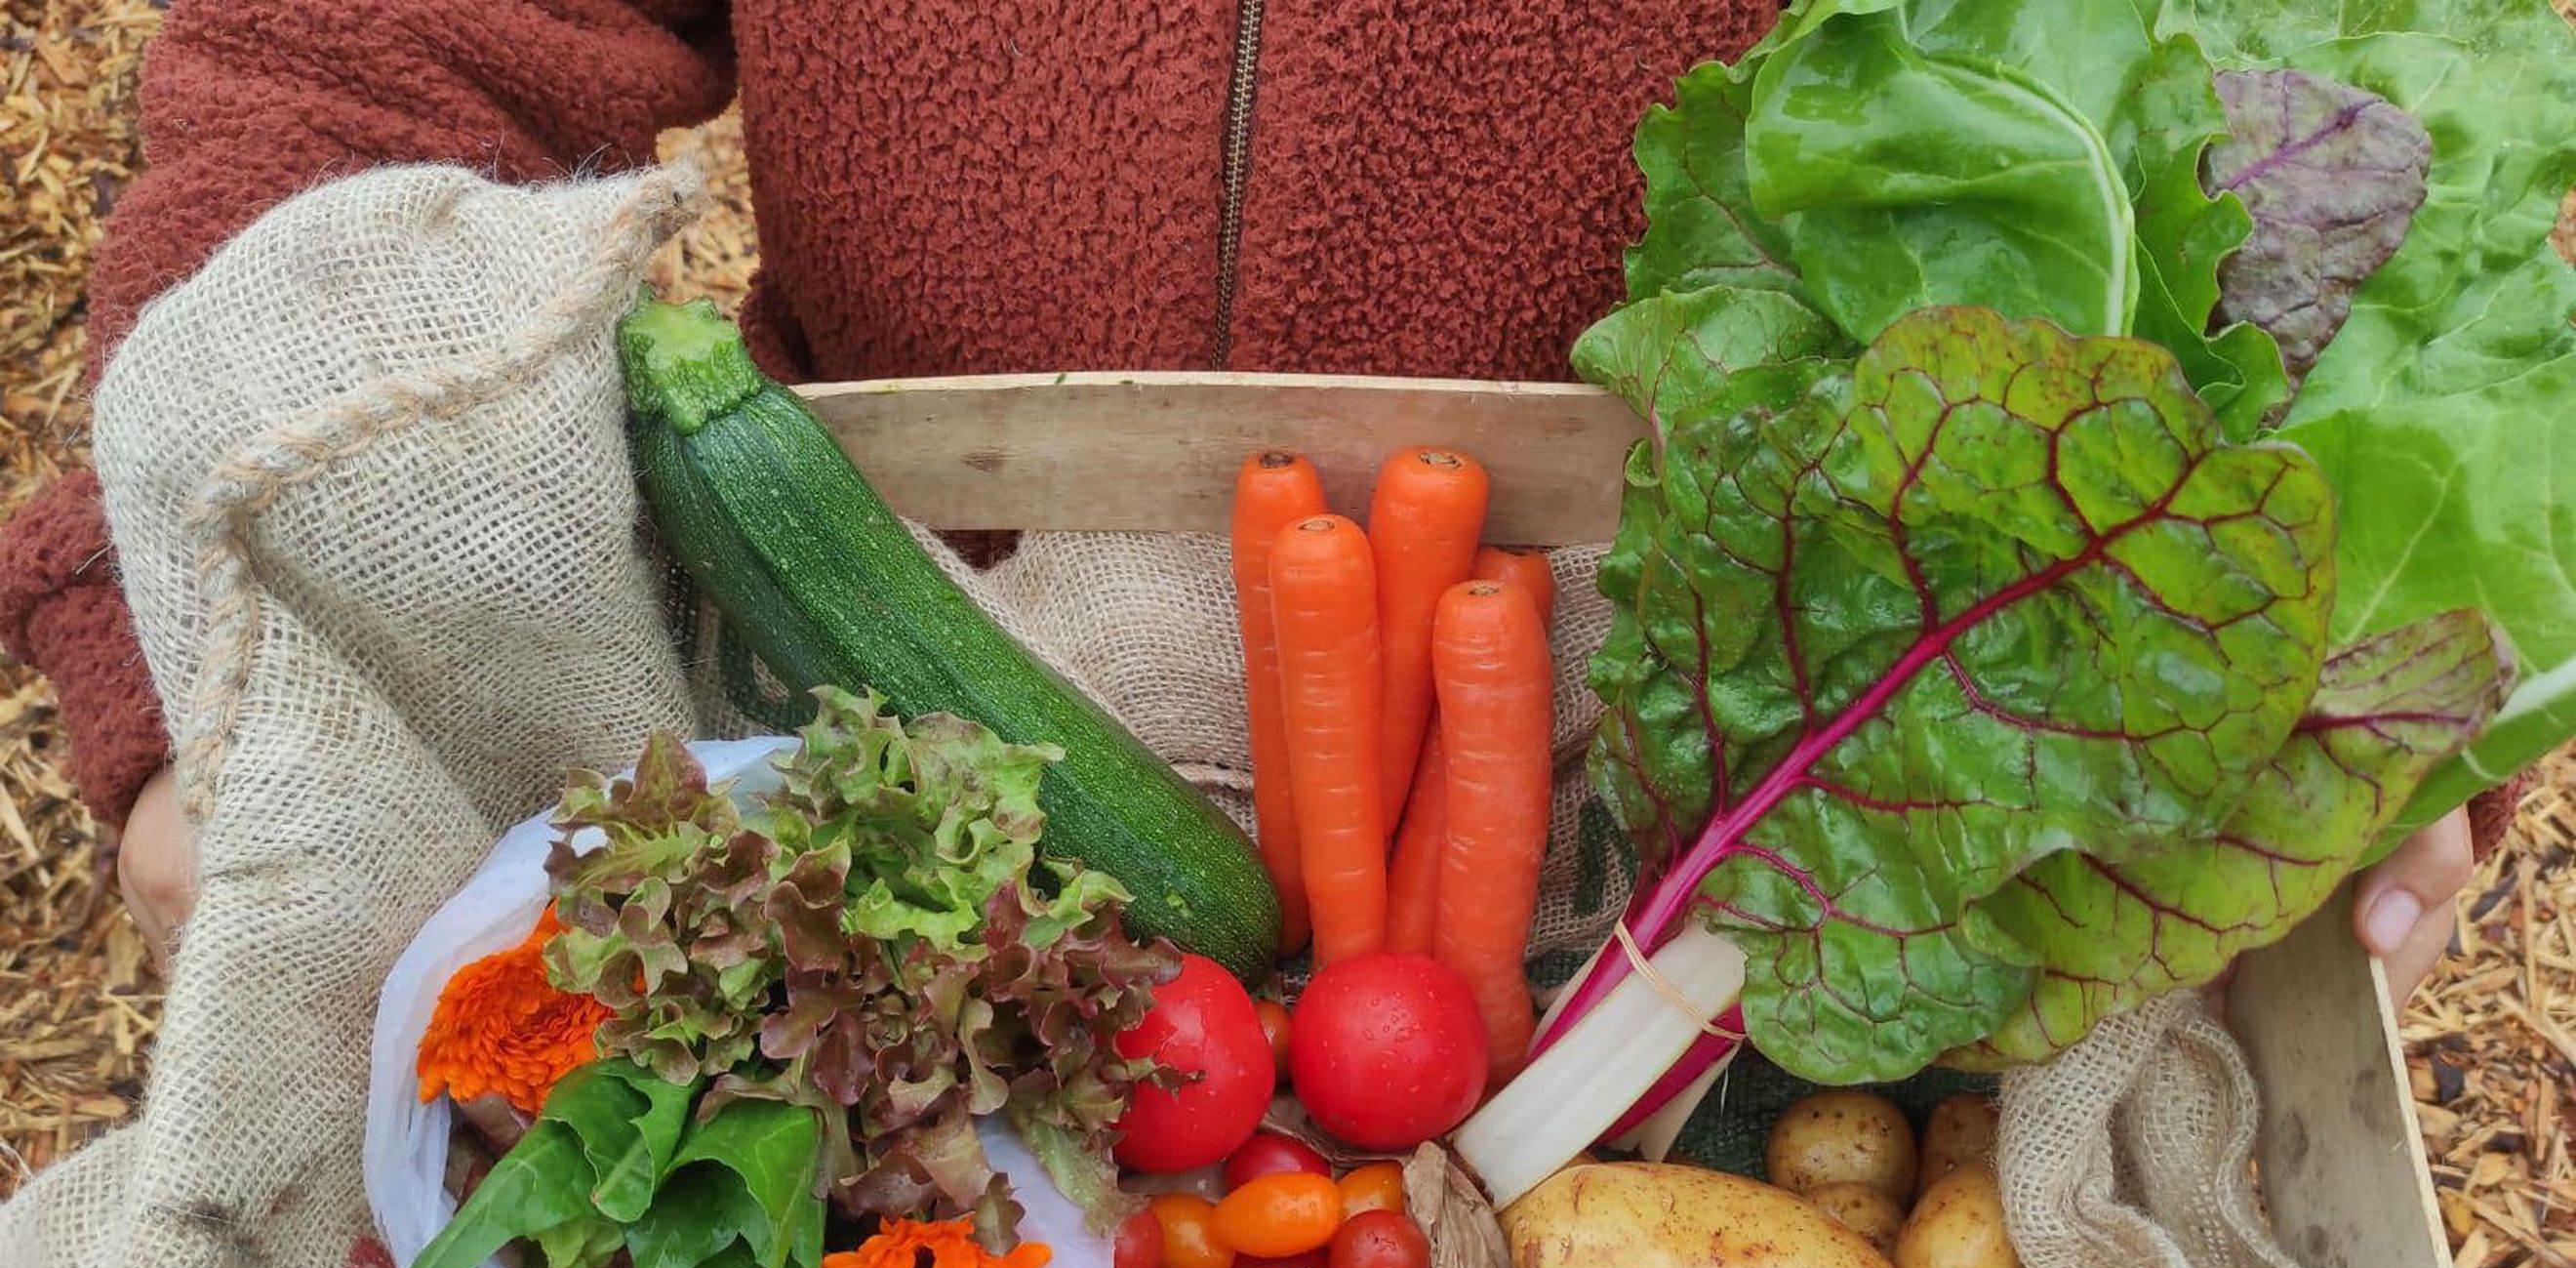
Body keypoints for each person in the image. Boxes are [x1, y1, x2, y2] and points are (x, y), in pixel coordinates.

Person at [0, 0, 2497, 994]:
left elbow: (2306, 146)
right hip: (870, 663)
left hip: (1713, 748)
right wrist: (189, 646)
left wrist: (2385, 676)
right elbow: (351, 67)